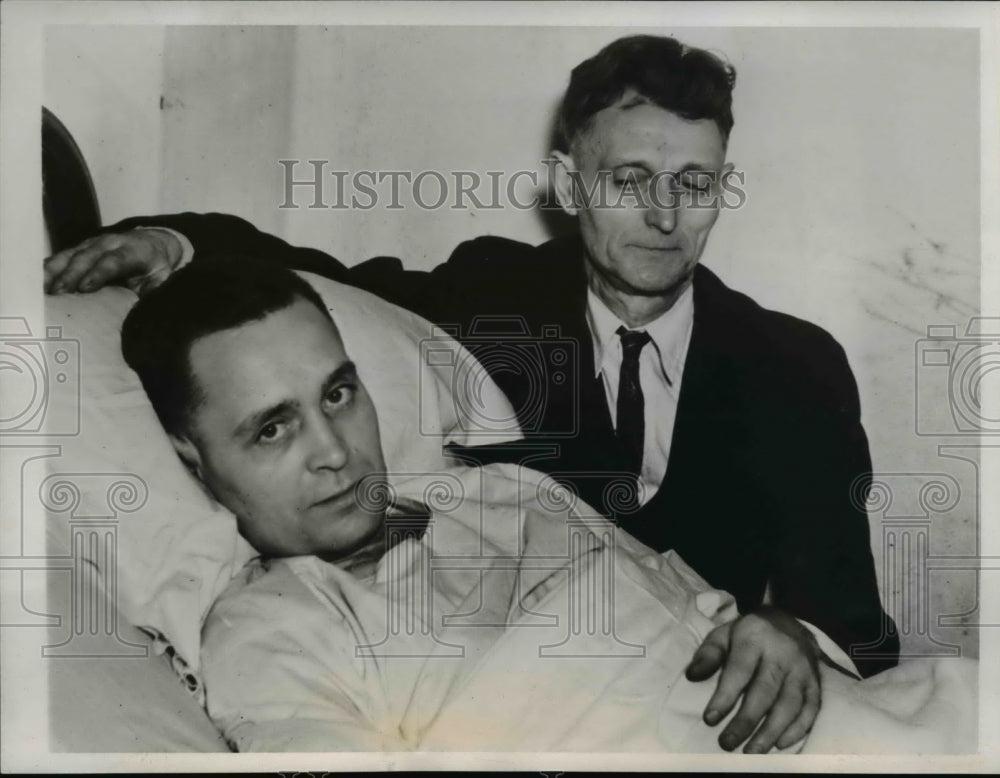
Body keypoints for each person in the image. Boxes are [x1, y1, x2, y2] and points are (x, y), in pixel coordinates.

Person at [46, 34, 898, 676]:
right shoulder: (496, 296)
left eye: (695, 184)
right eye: (630, 180)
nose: (666, 219)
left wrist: (795, 636)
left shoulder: (797, 368)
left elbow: (857, 627)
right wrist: (175, 243)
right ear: (568, 186)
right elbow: (324, 276)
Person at [120, 254, 843, 753]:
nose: (335, 450)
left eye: (339, 394)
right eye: (272, 429)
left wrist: (780, 631)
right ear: (197, 461)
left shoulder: (503, 490)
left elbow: (710, 614)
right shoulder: (272, 638)